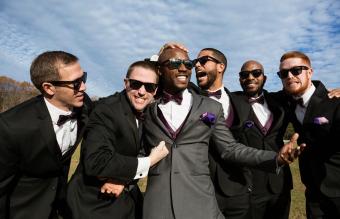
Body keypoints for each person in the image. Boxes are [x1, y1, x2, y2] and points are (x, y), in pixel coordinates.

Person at [141, 46, 303, 219]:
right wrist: (162, 52)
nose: (192, 67)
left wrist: (275, 158)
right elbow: (141, 82)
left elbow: (230, 148)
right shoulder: (154, 104)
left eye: (192, 63)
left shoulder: (231, 103)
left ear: (221, 67)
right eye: (177, 63)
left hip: (234, 189)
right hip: (180, 194)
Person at [66, 60, 169, 219]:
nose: (142, 91)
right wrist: (149, 161)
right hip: (95, 206)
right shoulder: (106, 110)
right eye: (135, 84)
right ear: (126, 83)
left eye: (149, 87)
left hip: (128, 204)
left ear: (155, 90)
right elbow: (97, 162)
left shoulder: (146, 111)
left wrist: (123, 180)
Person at [0, 51, 91, 219]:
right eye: (76, 83)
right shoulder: (10, 127)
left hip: (60, 208)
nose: (84, 87)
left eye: (83, 78)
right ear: (49, 88)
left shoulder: (84, 105)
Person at [276, 51, 340, 218]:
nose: (289, 76)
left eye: (296, 70)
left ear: (310, 72)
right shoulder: (286, 101)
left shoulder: (335, 102)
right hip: (313, 194)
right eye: (283, 73)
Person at [233, 60, 292, 219]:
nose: (250, 77)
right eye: (244, 75)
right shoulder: (232, 101)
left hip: (280, 184)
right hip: (250, 187)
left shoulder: (280, 100)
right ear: (240, 80)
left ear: (264, 78)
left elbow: (303, 87)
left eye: (256, 73)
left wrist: (330, 92)